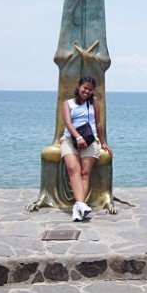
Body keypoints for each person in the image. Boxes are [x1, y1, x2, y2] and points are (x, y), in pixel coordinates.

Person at [61, 76, 112, 221]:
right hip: (71, 139)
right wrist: (78, 137)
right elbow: (68, 123)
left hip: (90, 139)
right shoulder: (68, 103)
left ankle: (78, 207)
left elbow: (98, 123)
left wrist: (103, 142)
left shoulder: (93, 102)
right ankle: (81, 205)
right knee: (73, 169)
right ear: (79, 87)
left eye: (90, 89)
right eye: (85, 88)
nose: (87, 91)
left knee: (84, 172)